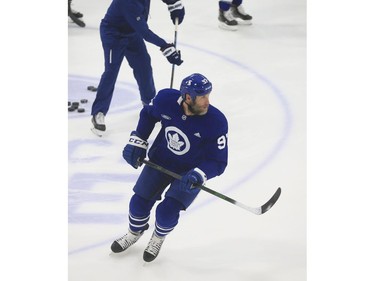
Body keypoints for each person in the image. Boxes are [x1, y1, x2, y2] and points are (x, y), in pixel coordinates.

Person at [111, 73, 229, 262]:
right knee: (137, 204)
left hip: (187, 174)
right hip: (160, 161)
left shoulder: (216, 122)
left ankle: (158, 237)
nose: (207, 101)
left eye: (208, 95)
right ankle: (135, 232)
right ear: (188, 97)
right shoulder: (166, 100)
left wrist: (200, 174)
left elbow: (218, 161)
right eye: (202, 97)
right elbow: (148, 114)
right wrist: (138, 140)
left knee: (166, 213)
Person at [91, 0, 185, 137]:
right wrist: (165, 46)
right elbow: (145, 32)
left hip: (132, 33)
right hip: (114, 34)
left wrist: (173, 3)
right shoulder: (127, 3)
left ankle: (149, 102)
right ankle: (98, 112)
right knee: (111, 72)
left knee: (144, 67)